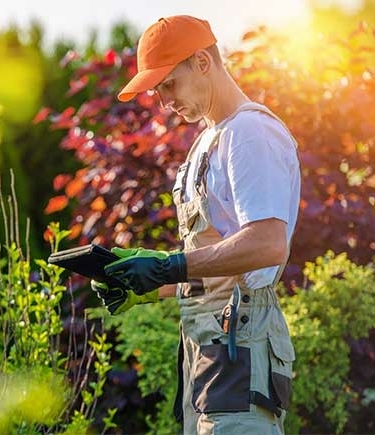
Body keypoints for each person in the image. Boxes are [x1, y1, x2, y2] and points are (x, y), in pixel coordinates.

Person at [90, 15, 300, 435]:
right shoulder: (209, 140)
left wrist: (171, 265)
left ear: (203, 62)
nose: (164, 101)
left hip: (242, 352)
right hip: (208, 358)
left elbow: (268, 243)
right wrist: (147, 282)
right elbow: (213, 266)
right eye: (157, 90)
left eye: (169, 83)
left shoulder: (250, 133)